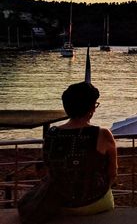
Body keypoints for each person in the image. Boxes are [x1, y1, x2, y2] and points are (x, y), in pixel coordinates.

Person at [18, 82, 117, 223]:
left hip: (59, 202)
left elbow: (47, 168)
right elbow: (113, 173)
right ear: (91, 108)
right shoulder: (102, 134)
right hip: (95, 201)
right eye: (95, 105)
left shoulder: (51, 134)